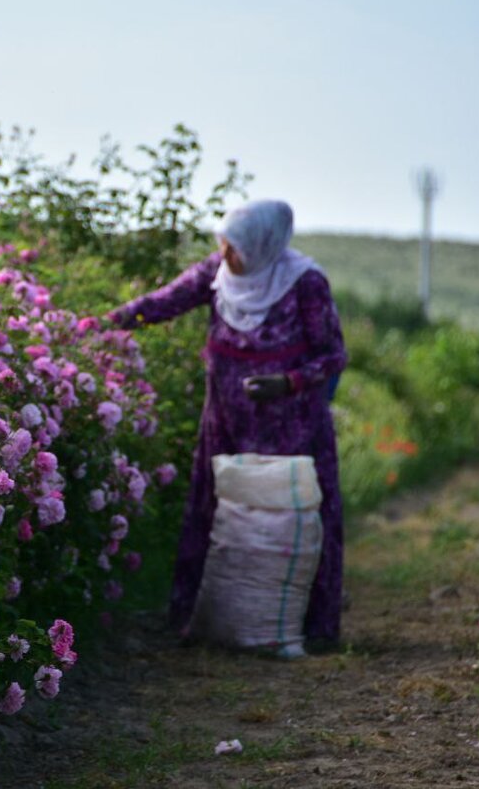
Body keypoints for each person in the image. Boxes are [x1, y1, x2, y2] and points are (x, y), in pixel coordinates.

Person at [109, 199, 347, 644]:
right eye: (224, 245)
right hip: (226, 421)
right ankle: (204, 619)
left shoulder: (304, 283)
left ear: (263, 246)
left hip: (291, 427)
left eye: (235, 248)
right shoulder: (217, 274)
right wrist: (108, 324)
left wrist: (288, 381)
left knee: (287, 513)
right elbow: (166, 301)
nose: (227, 256)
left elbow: (334, 355)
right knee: (217, 509)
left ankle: (306, 626)